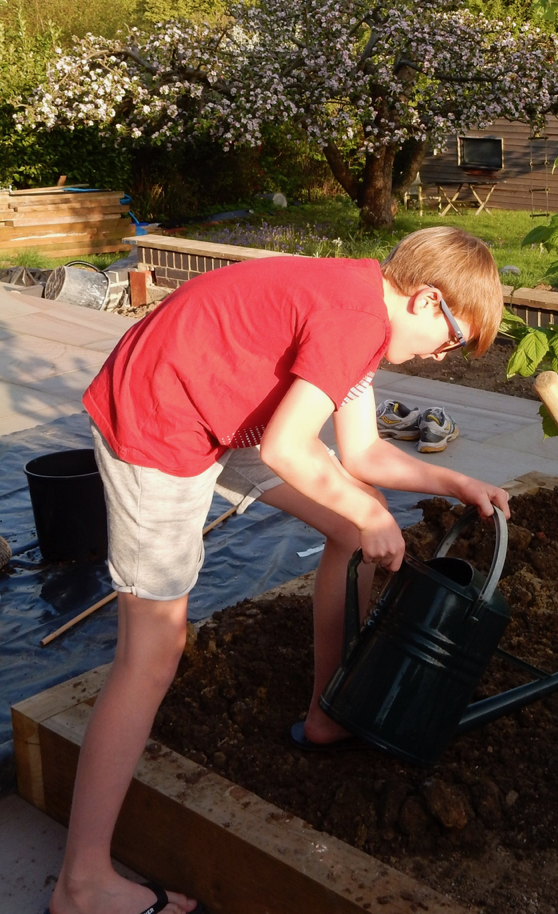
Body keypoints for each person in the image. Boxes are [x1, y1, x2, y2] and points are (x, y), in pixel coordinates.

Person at [50, 227, 511, 914]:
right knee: (151, 653)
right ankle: (80, 884)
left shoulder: (362, 306)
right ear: (426, 299)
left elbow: (363, 455)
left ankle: (328, 712)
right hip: (161, 418)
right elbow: (288, 449)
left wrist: (454, 482)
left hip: (217, 404)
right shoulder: (355, 316)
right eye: (448, 340)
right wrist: (373, 513)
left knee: (355, 523)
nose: (440, 357)